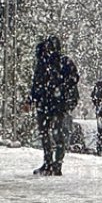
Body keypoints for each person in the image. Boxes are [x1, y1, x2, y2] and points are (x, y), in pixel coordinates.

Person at [26, 36, 80, 176]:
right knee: (55, 134)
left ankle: (50, 162)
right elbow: (73, 79)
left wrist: (32, 99)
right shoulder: (62, 62)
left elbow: (36, 84)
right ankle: (55, 163)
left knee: (48, 134)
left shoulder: (45, 63)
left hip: (48, 103)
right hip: (56, 103)